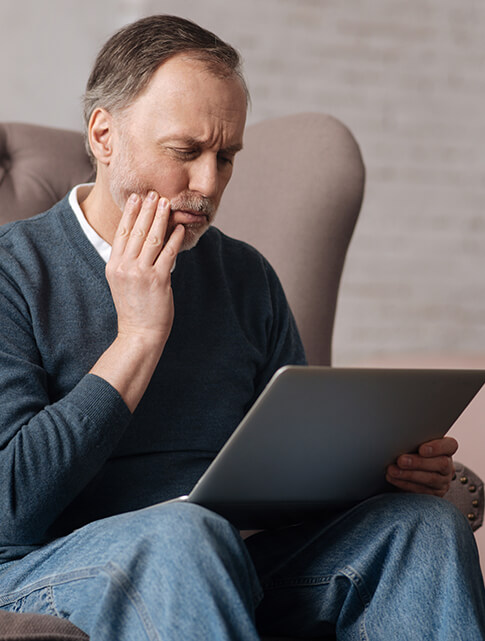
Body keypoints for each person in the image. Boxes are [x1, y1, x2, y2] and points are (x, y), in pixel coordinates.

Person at [0, 14, 483, 641]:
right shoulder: (14, 271)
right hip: (53, 564)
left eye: (226, 157)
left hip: (229, 554)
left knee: (424, 527)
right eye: (185, 152)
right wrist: (138, 338)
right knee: (184, 535)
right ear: (104, 135)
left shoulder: (246, 277)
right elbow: (11, 509)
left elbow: (298, 463)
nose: (207, 184)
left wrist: (385, 474)